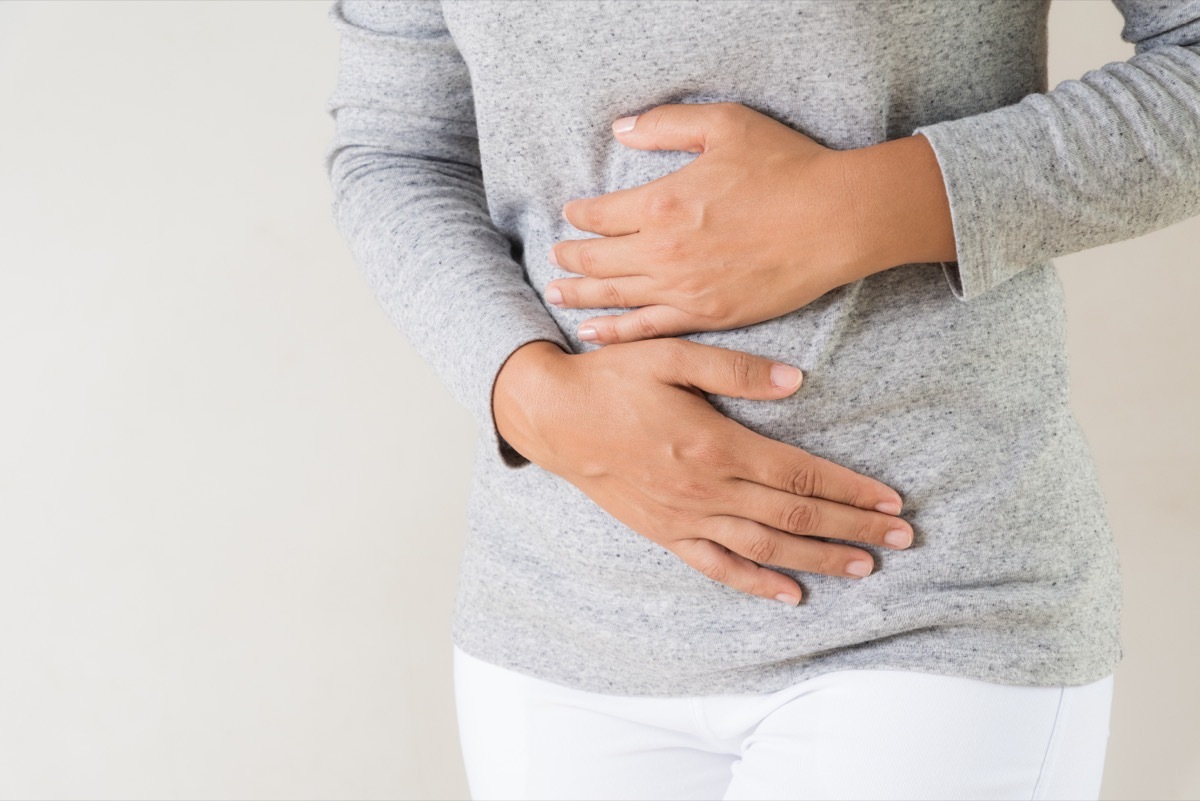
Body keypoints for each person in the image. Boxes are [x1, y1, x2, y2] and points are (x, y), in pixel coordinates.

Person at [323, 1, 1200, 798]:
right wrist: (533, 395)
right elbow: (397, 147)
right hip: (563, 616)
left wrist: (857, 207)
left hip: (931, 595)